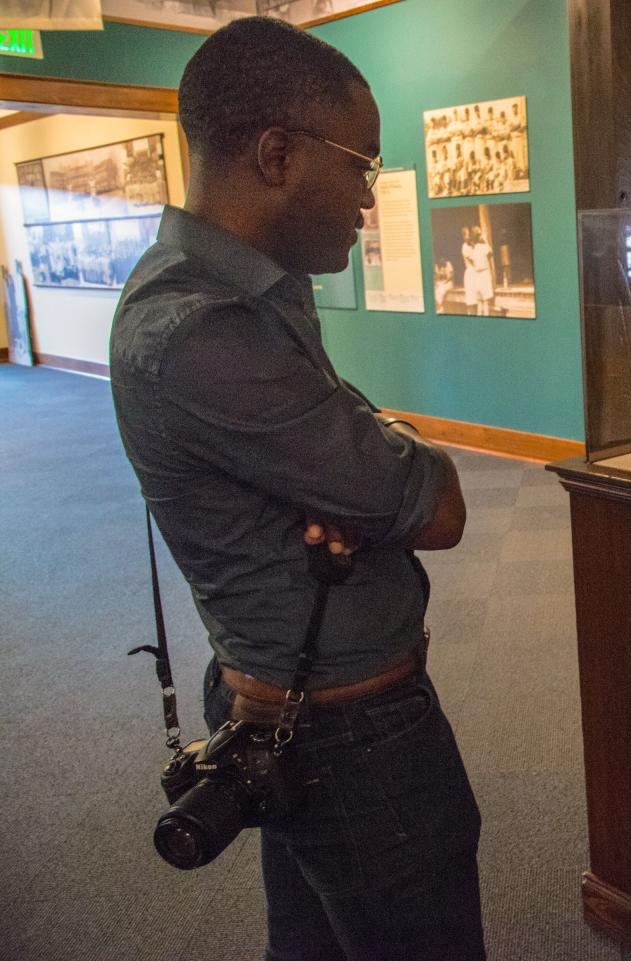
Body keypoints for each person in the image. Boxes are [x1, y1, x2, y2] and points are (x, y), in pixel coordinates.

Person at [108, 17, 486, 961]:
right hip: (346, 733)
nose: (368, 196)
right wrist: (381, 459)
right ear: (278, 154)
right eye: (362, 163)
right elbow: (441, 509)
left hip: (298, 707)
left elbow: (367, 445)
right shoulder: (204, 331)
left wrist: (368, 452)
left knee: (315, 936)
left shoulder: (247, 294)